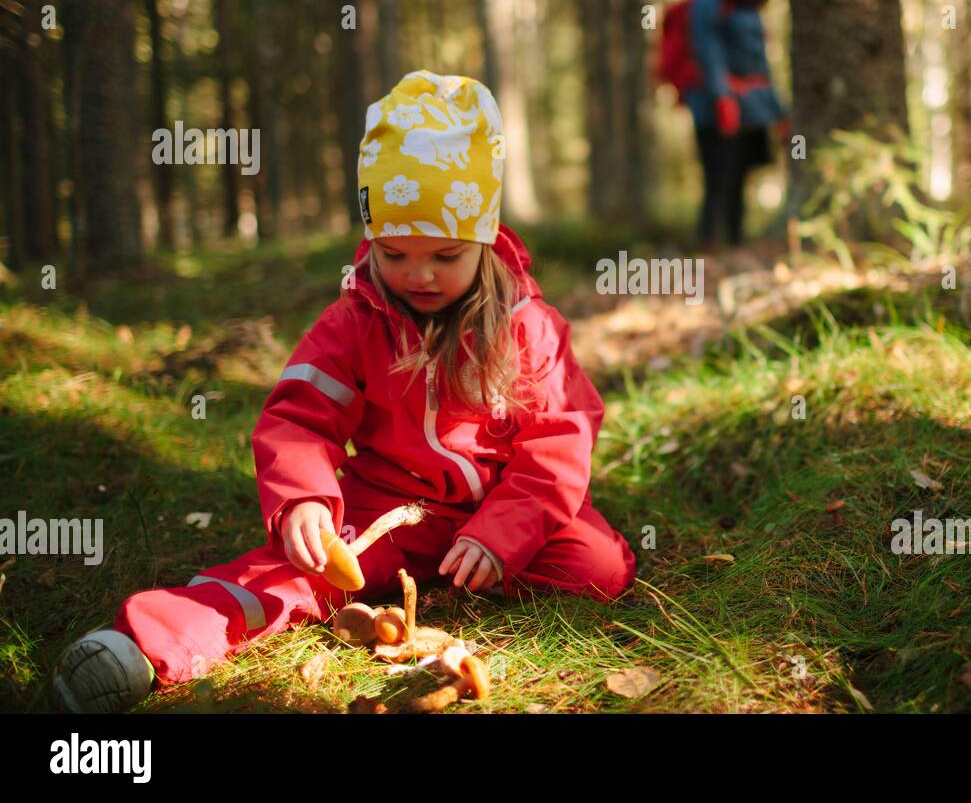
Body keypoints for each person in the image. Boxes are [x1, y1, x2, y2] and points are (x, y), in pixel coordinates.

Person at [53, 71, 638, 712]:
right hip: (387, 507)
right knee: (294, 572)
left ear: (484, 237)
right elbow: (298, 421)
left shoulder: (526, 324)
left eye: (444, 255)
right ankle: (143, 645)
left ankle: (471, 572)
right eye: (394, 253)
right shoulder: (356, 322)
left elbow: (561, 439)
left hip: (506, 503)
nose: (418, 275)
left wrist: (503, 534)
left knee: (599, 568)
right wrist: (301, 500)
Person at [684, 0, 788, 250]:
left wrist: (779, 111)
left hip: (748, 107)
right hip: (712, 108)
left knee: (739, 174)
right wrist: (722, 97)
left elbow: (759, 64)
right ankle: (708, 243)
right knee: (717, 175)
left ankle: (735, 240)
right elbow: (707, 49)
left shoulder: (748, 4)